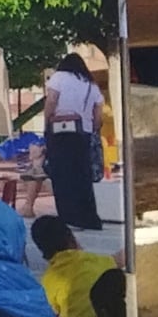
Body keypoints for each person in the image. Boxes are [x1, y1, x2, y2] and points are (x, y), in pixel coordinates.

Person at [42, 44, 106, 232]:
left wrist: (47, 122)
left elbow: (51, 100)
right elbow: (98, 112)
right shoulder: (90, 84)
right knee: (81, 176)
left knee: (62, 175)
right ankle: (87, 217)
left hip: (60, 132)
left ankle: (68, 216)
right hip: (82, 133)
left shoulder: (59, 77)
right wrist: (91, 128)